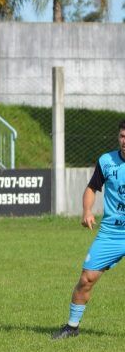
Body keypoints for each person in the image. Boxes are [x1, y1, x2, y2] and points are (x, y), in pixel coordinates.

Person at [53, 120, 125, 339]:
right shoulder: (106, 161)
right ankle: (72, 327)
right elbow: (92, 188)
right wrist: (87, 211)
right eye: (122, 136)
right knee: (86, 279)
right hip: (111, 233)